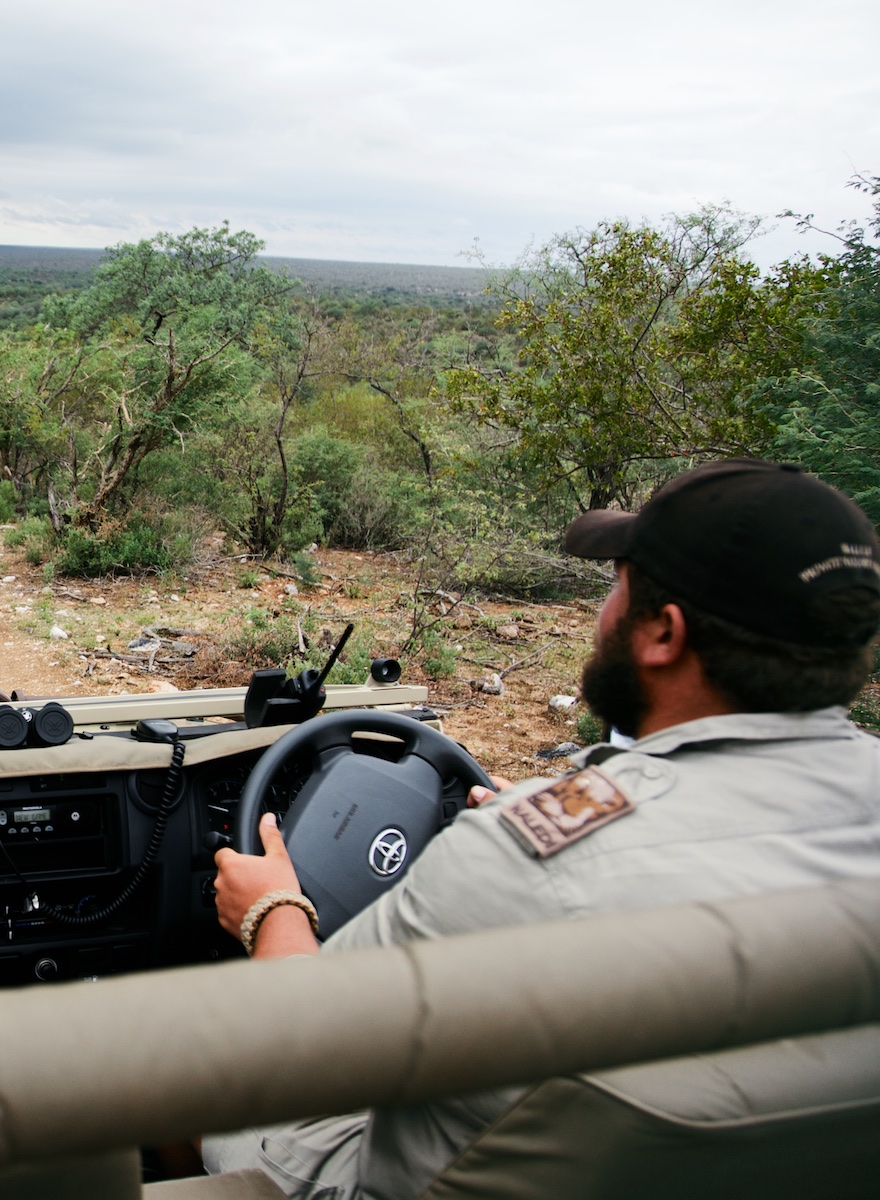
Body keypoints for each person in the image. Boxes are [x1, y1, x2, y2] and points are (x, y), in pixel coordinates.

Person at [204, 459, 880, 1200]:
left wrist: (273, 912)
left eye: (617, 587)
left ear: (662, 632)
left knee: (202, 1072)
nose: (602, 615)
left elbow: (297, 1043)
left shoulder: (520, 862)